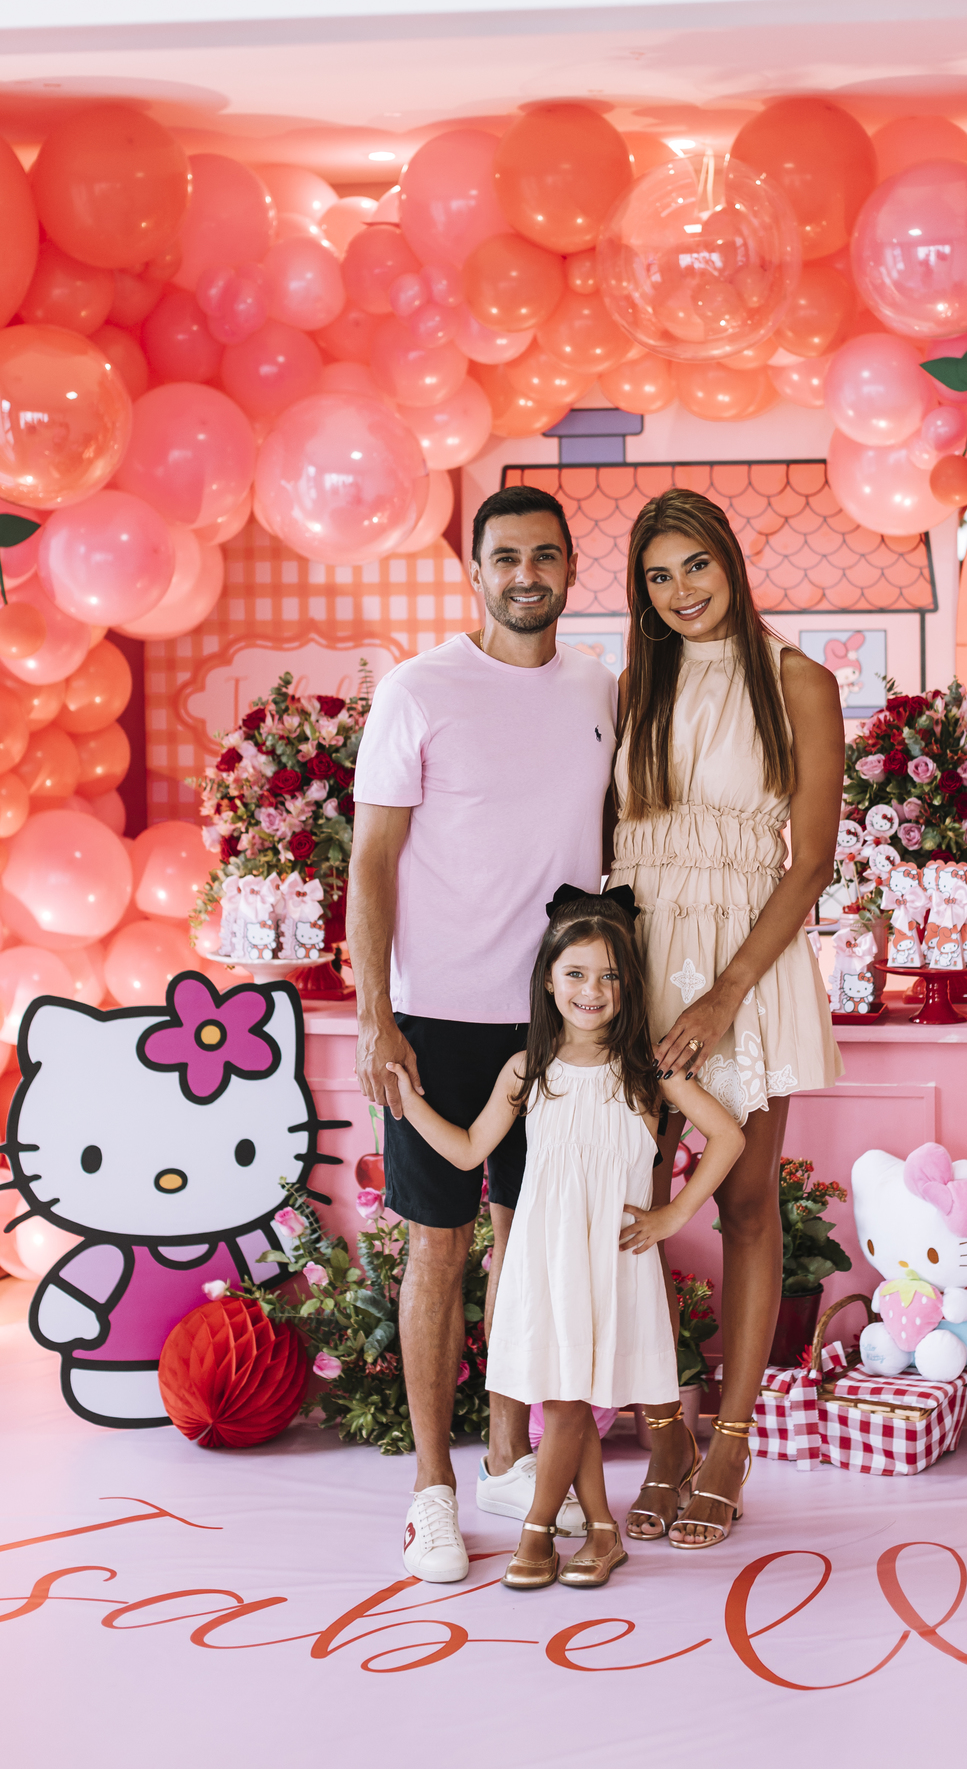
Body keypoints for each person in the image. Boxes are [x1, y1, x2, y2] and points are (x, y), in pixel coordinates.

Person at [348, 486, 617, 1584]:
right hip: (438, 1017)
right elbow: (371, 861)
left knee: (528, 1244)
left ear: (570, 569)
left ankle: (508, 1462)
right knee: (440, 1246)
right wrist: (375, 1016)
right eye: (506, 557)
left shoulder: (596, 687)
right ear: (474, 570)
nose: (526, 575)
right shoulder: (418, 690)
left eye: (546, 556)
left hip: (559, 1023)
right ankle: (431, 1493)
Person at [607, 488, 844, 1550]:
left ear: (731, 564)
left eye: (695, 565)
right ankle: (664, 1437)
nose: (681, 592)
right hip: (641, 956)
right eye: (658, 577)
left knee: (746, 1206)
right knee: (630, 1203)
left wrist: (725, 992)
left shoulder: (798, 682)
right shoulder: (635, 686)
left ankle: (732, 1442)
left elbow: (812, 862)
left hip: (746, 963)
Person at [388, 891, 744, 1590]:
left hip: (609, 1263)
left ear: (629, 986)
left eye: (610, 976)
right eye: (576, 973)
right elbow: (467, 1151)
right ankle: (600, 1531)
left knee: (569, 1403)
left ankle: (538, 1533)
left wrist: (673, 1215)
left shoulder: (648, 1071)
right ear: (548, 981)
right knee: (564, 1398)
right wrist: (408, 1103)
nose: (593, 990)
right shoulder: (528, 1071)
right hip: (547, 1261)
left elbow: (727, 1136)